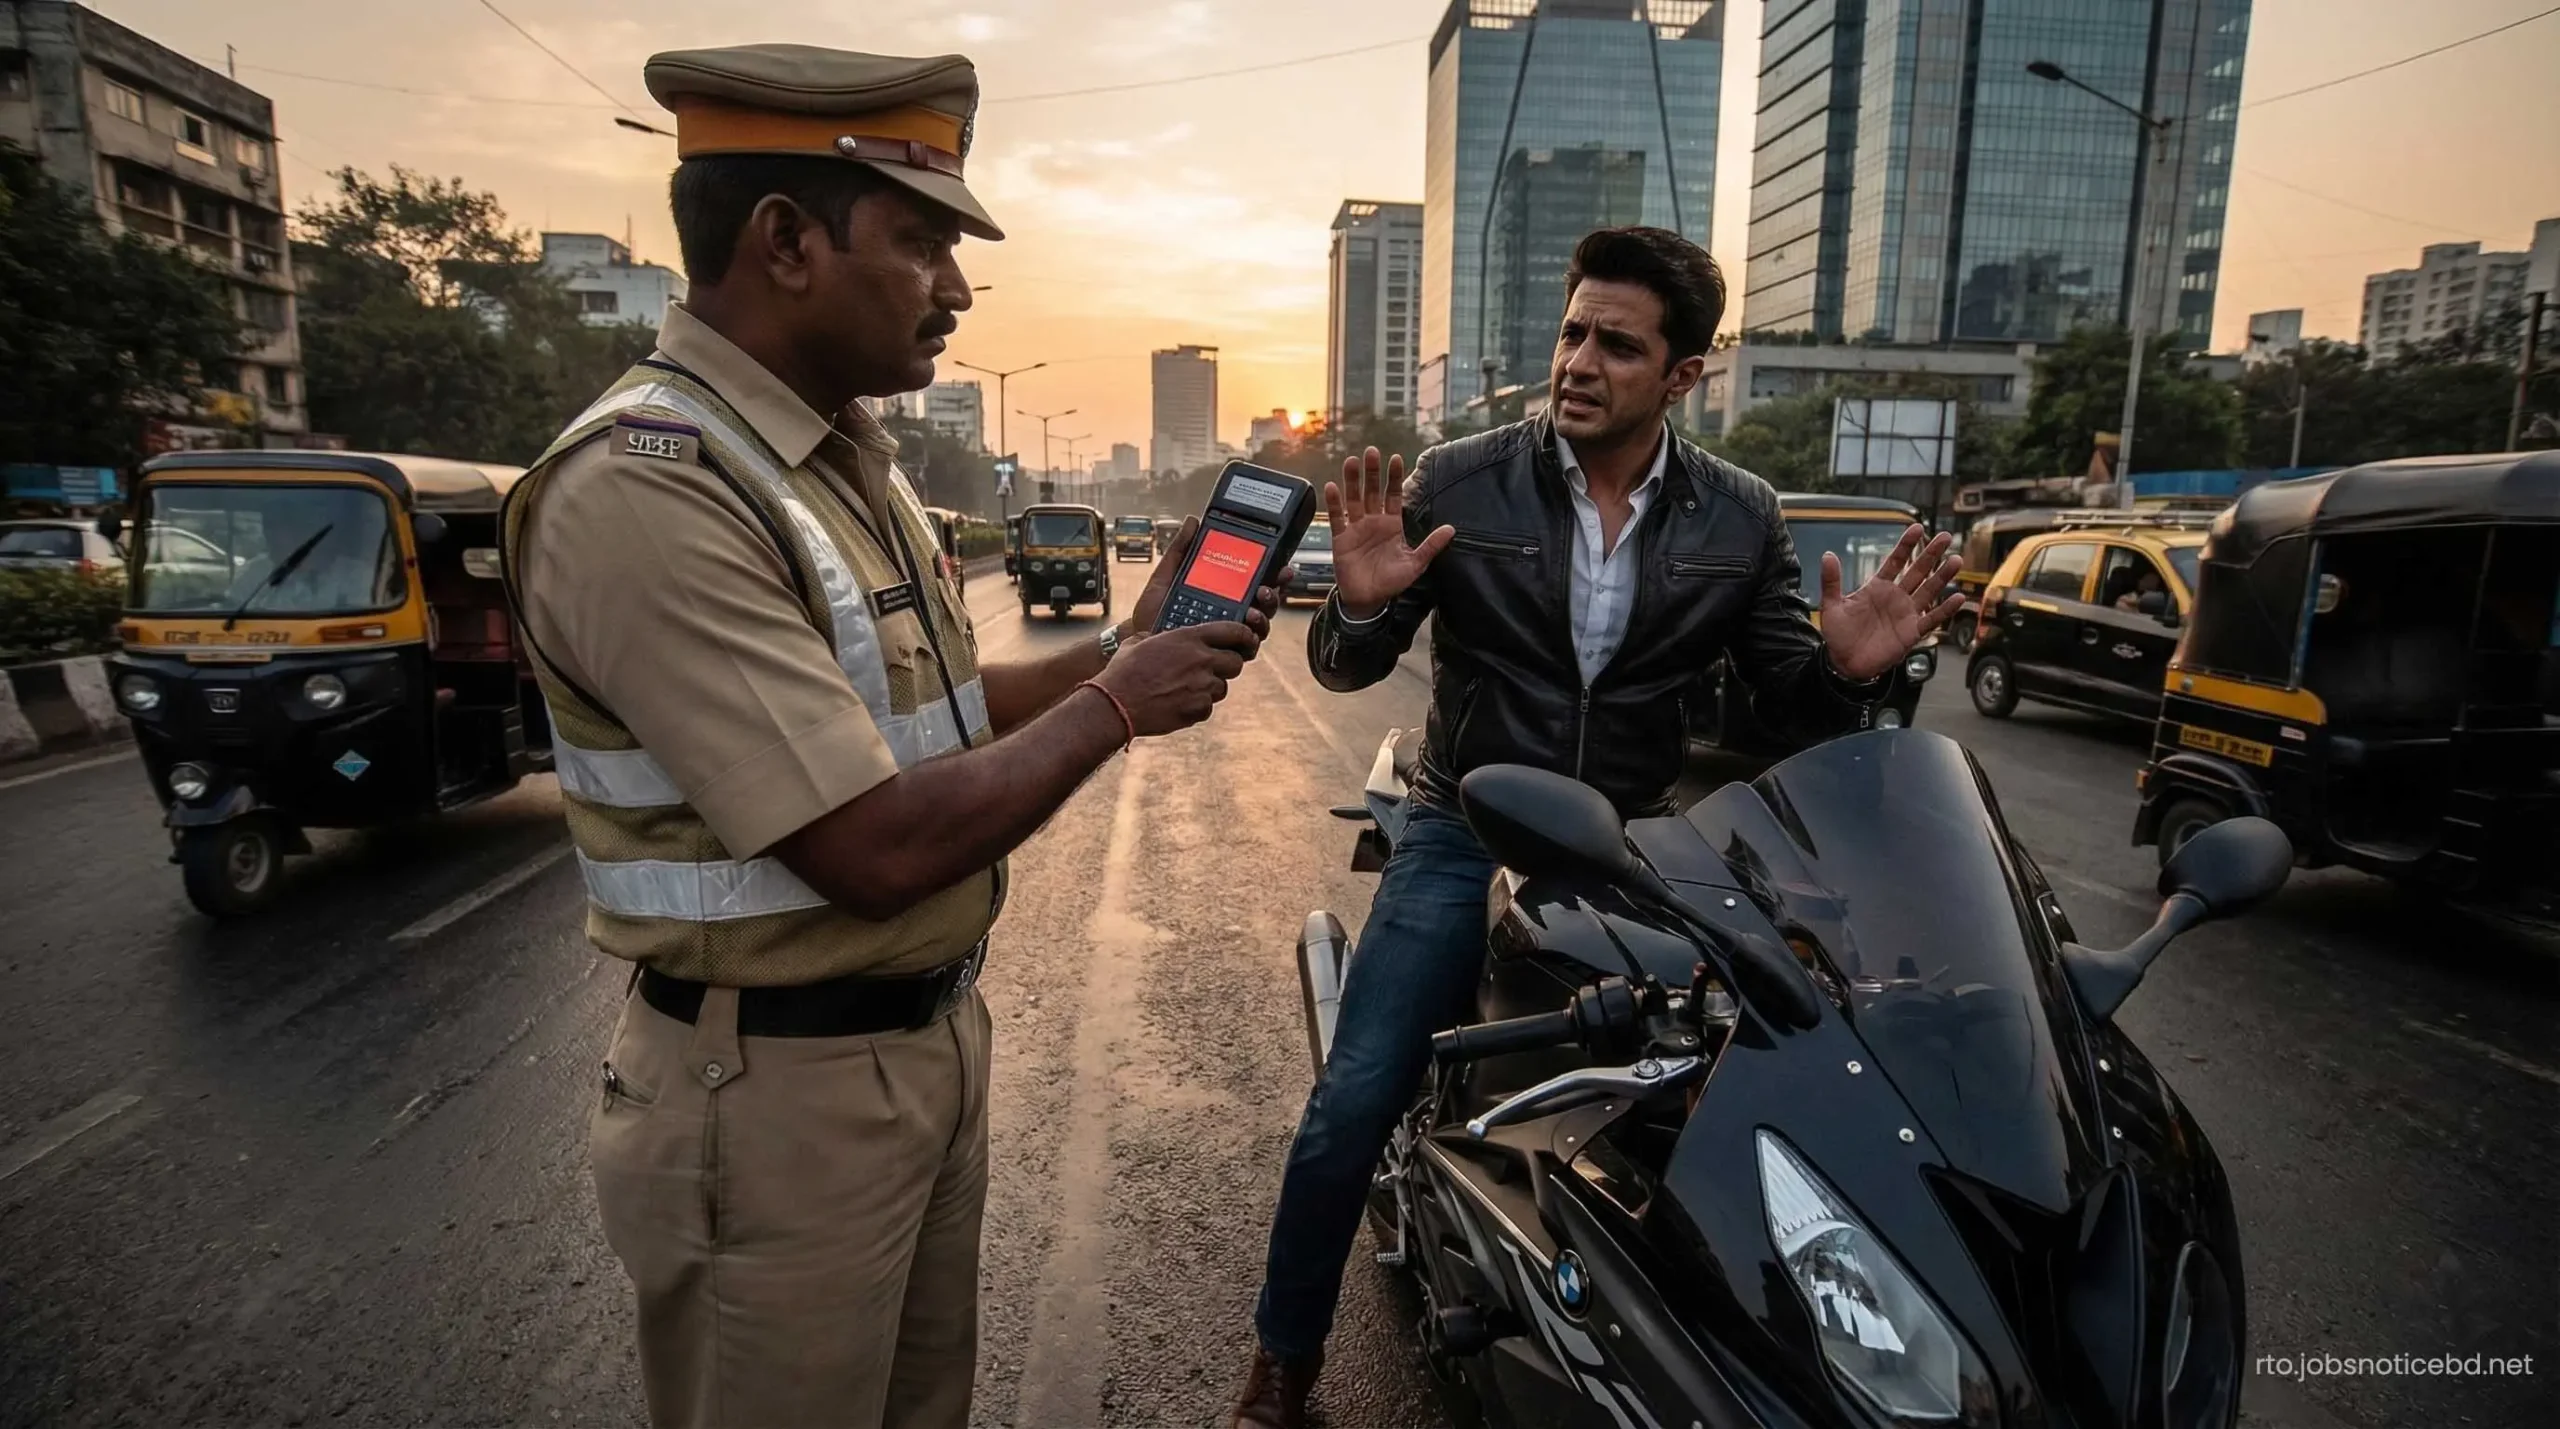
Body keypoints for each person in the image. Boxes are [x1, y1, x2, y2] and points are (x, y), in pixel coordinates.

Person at [500, 43, 1278, 1429]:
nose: (960, 291)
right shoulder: (650, 487)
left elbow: (938, 725)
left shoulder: (852, 465)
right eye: (922, 242)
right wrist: (1119, 706)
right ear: (787, 242)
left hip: (915, 1047)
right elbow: (866, 844)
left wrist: (1118, 645)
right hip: (772, 1096)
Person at [1229, 227, 1962, 1428]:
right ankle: (1281, 1363)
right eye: (1573, 331)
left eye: (1616, 345)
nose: (1577, 361)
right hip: (1462, 823)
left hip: (1633, 846)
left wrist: (1850, 671)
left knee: (1728, 1075)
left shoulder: (1741, 516)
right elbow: (1349, 666)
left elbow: (1787, 700)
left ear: (1682, 377)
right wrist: (1358, 613)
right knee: (1354, 1099)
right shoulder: (1461, 478)